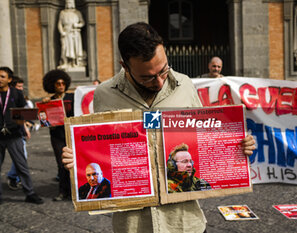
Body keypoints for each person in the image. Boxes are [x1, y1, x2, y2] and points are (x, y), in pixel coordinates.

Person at [62, 22, 256, 233]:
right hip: (135, 226)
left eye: (163, 70)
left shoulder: (185, 85)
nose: (160, 82)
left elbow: (204, 139)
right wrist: (78, 159)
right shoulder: (104, 94)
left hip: (184, 223)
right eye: (147, 77)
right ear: (125, 65)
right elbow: (100, 153)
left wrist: (238, 145)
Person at [0, 67, 43, 204]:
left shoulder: (17, 93)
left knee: (21, 165)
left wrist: (24, 126)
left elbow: (23, 113)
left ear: (9, 79)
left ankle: (30, 193)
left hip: (14, 135)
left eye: (2, 77)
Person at [42, 69, 74, 201]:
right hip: (57, 135)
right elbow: (44, 120)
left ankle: (74, 191)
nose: (61, 85)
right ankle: (62, 191)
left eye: (63, 83)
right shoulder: (48, 101)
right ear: (53, 85)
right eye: (58, 83)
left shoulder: (72, 98)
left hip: (71, 134)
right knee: (61, 164)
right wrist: (44, 108)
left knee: (73, 163)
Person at [7, 77, 32, 190]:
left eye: (22, 87)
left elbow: (22, 116)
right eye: (19, 87)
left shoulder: (19, 98)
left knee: (22, 156)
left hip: (18, 133)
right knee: (21, 157)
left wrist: (26, 126)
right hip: (9, 133)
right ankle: (13, 177)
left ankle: (14, 178)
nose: (21, 89)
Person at [57, 0, 85, 69]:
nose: (68, 4)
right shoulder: (63, 13)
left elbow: (82, 22)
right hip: (66, 32)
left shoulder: (77, 12)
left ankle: (74, 63)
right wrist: (62, 32)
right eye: (67, 2)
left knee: (75, 48)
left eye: (70, 2)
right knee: (64, 48)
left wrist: (77, 25)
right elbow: (59, 24)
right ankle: (65, 62)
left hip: (75, 32)